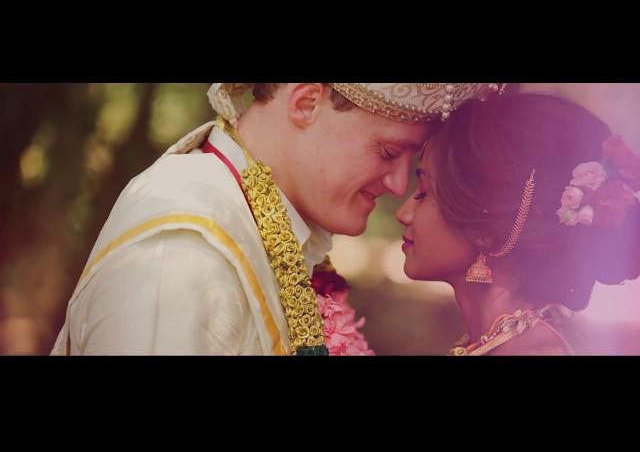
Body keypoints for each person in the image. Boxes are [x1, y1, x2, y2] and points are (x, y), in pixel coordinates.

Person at [51, 83, 502, 355]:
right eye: (388, 152)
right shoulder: (182, 251)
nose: (398, 184)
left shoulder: (257, 218)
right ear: (306, 102)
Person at [397, 93, 640, 355]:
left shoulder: (529, 350)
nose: (403, 213)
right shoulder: (500, 341)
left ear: (485, 229)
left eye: (423, 192)